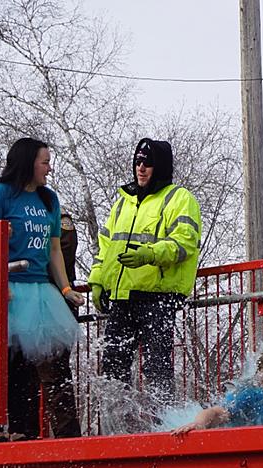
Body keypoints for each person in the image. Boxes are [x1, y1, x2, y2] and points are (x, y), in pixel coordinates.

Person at [88, 138, 202, 422]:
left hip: (158, 295)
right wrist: (98, 281)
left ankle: (164, 425)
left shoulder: (179, 198)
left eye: (147, 163)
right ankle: (119, 428)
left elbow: (184, 243)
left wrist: (150, 255)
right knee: (114, 364)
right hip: (122, 295)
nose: (141, 168)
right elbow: (105, 247)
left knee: (157, 366)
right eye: (138, 161)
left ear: (160, 166)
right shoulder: (122, 203)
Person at [0, 138, 84, 441]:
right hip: (9, 288)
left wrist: (66, 287)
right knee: (8, 361)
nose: (49, 167)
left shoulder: (48, 199)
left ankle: (47, 433)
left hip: (41, 290)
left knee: (47, 362)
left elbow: (54, 248)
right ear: (28, 162)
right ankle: (5, 430)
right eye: (45, 161)